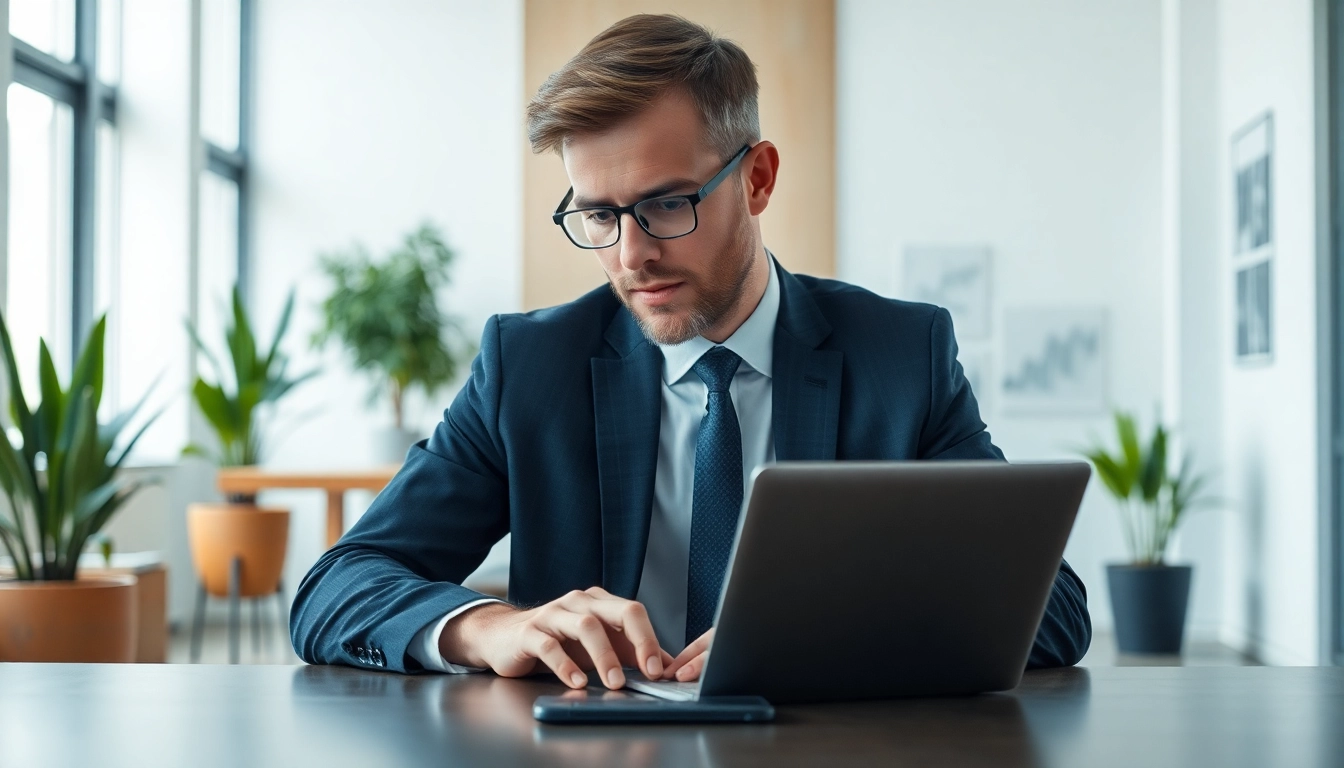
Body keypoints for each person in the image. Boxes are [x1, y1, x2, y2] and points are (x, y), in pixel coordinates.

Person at [290, 13, 1091, 689]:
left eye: (667, 203)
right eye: (599, 216)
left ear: (759, 179)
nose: (631, 255)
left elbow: (1050, 606)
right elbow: (336, 588)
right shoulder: (529, 367)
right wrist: (485, 626)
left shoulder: (900, 356)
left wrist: (831, 638)